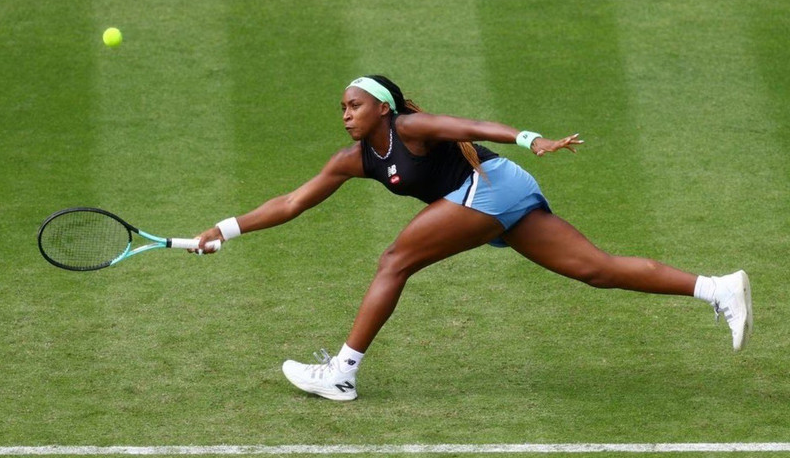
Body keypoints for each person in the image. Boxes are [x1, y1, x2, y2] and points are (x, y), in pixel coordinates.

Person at [194, 75, 753, 401]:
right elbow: (292, 202)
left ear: (382, 108)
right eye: (342, 108)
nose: (345, 114)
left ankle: (341, 374)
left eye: (355, 105)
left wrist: (530, 137)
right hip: (500, 195)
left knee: (394, 260)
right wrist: (224, 229)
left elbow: (473, 128)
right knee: (596, 269)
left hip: (490, 186)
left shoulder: (411, 129)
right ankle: (717, 289)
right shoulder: (354, 160)